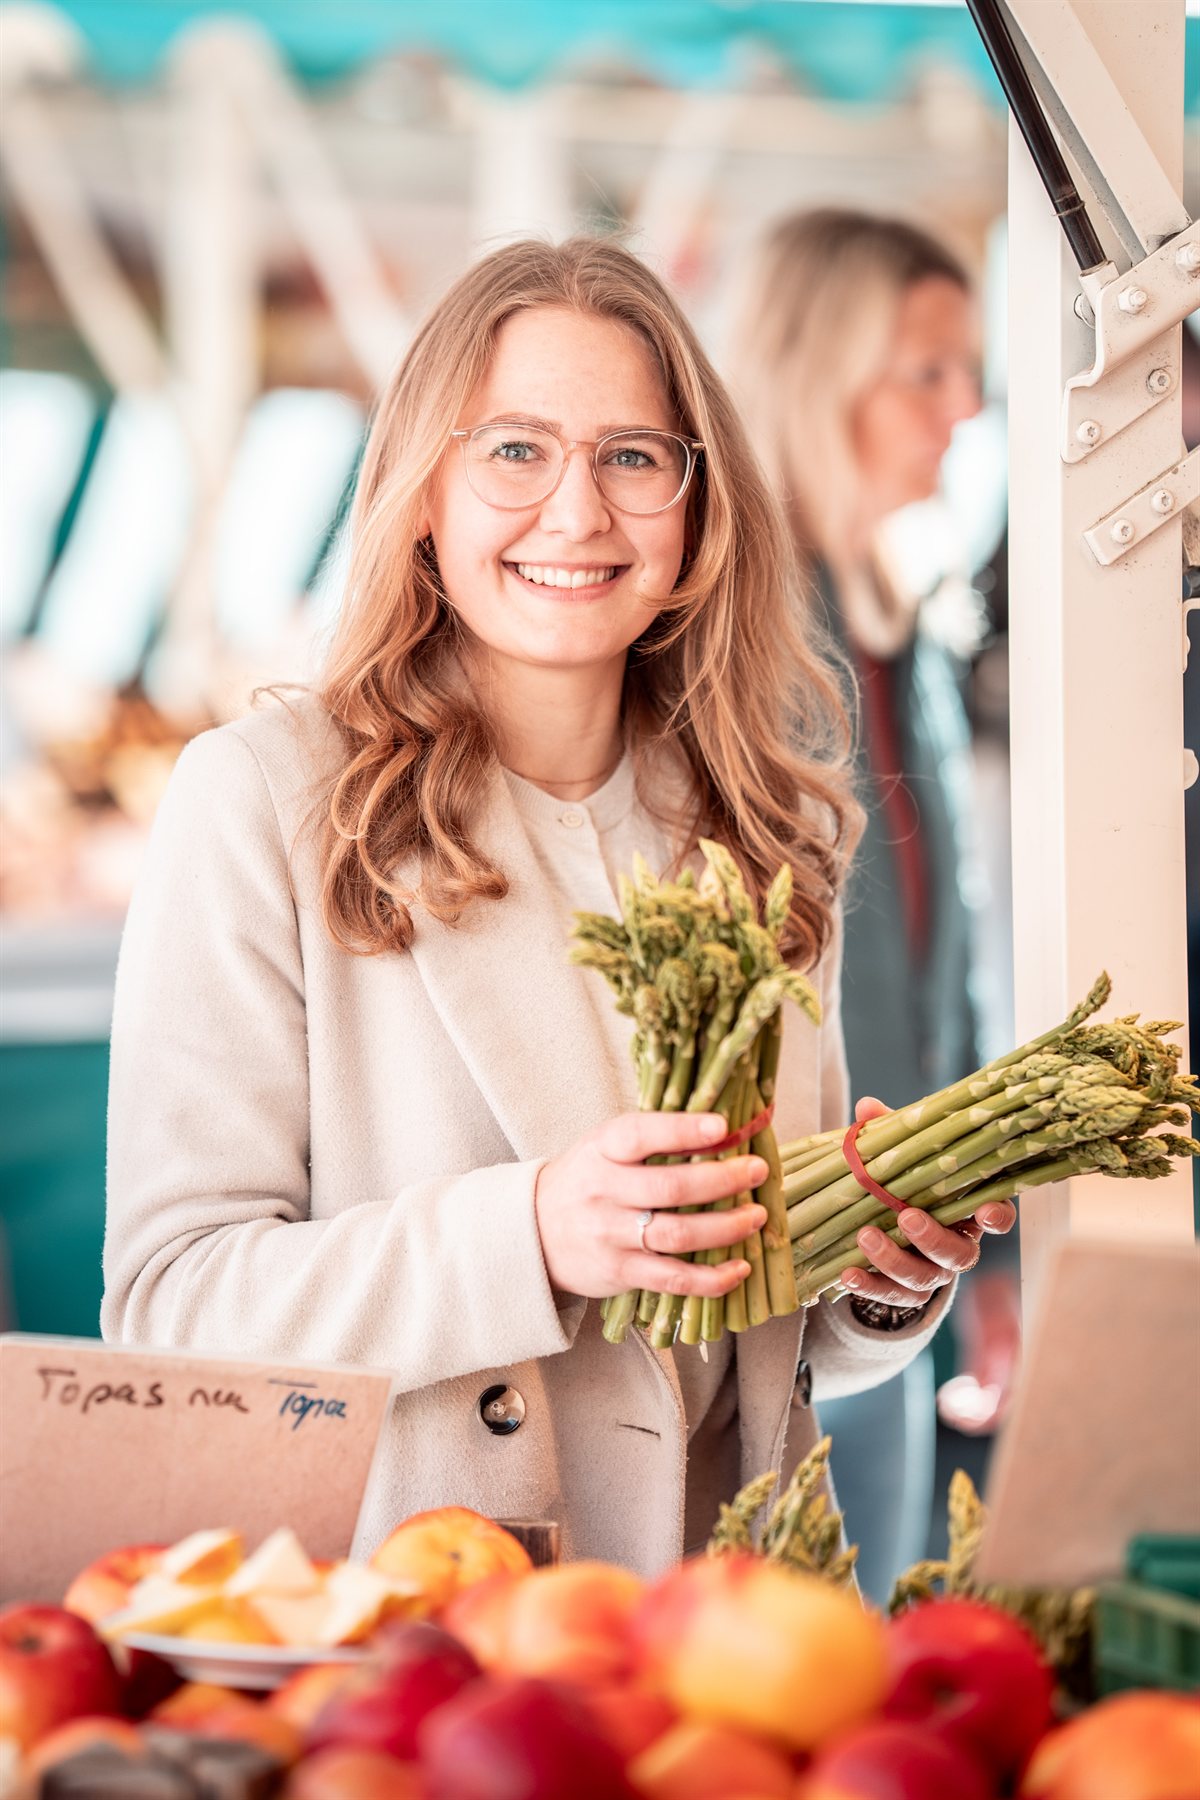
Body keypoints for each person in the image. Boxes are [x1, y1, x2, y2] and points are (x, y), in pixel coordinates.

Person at [103, 237, 1014, 1576]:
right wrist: (531, 1233)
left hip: (720, 1641)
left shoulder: (768, 823)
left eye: (634, 458)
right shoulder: (263, 801)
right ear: (424, 490)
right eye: (516, 452)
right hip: (413, 1633)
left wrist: (878, 1273)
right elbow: (171, 1310)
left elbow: (763, 1343)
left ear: (698, 513)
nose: (579, 514)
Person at [727, 209, 996, 1595]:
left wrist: (986, 1260)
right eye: (929, 371)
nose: (968, 408)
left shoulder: (901, 623)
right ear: (816, 368)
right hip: (783, 1253)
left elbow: (951, 959)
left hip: (902, 1251)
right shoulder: (735, 637)